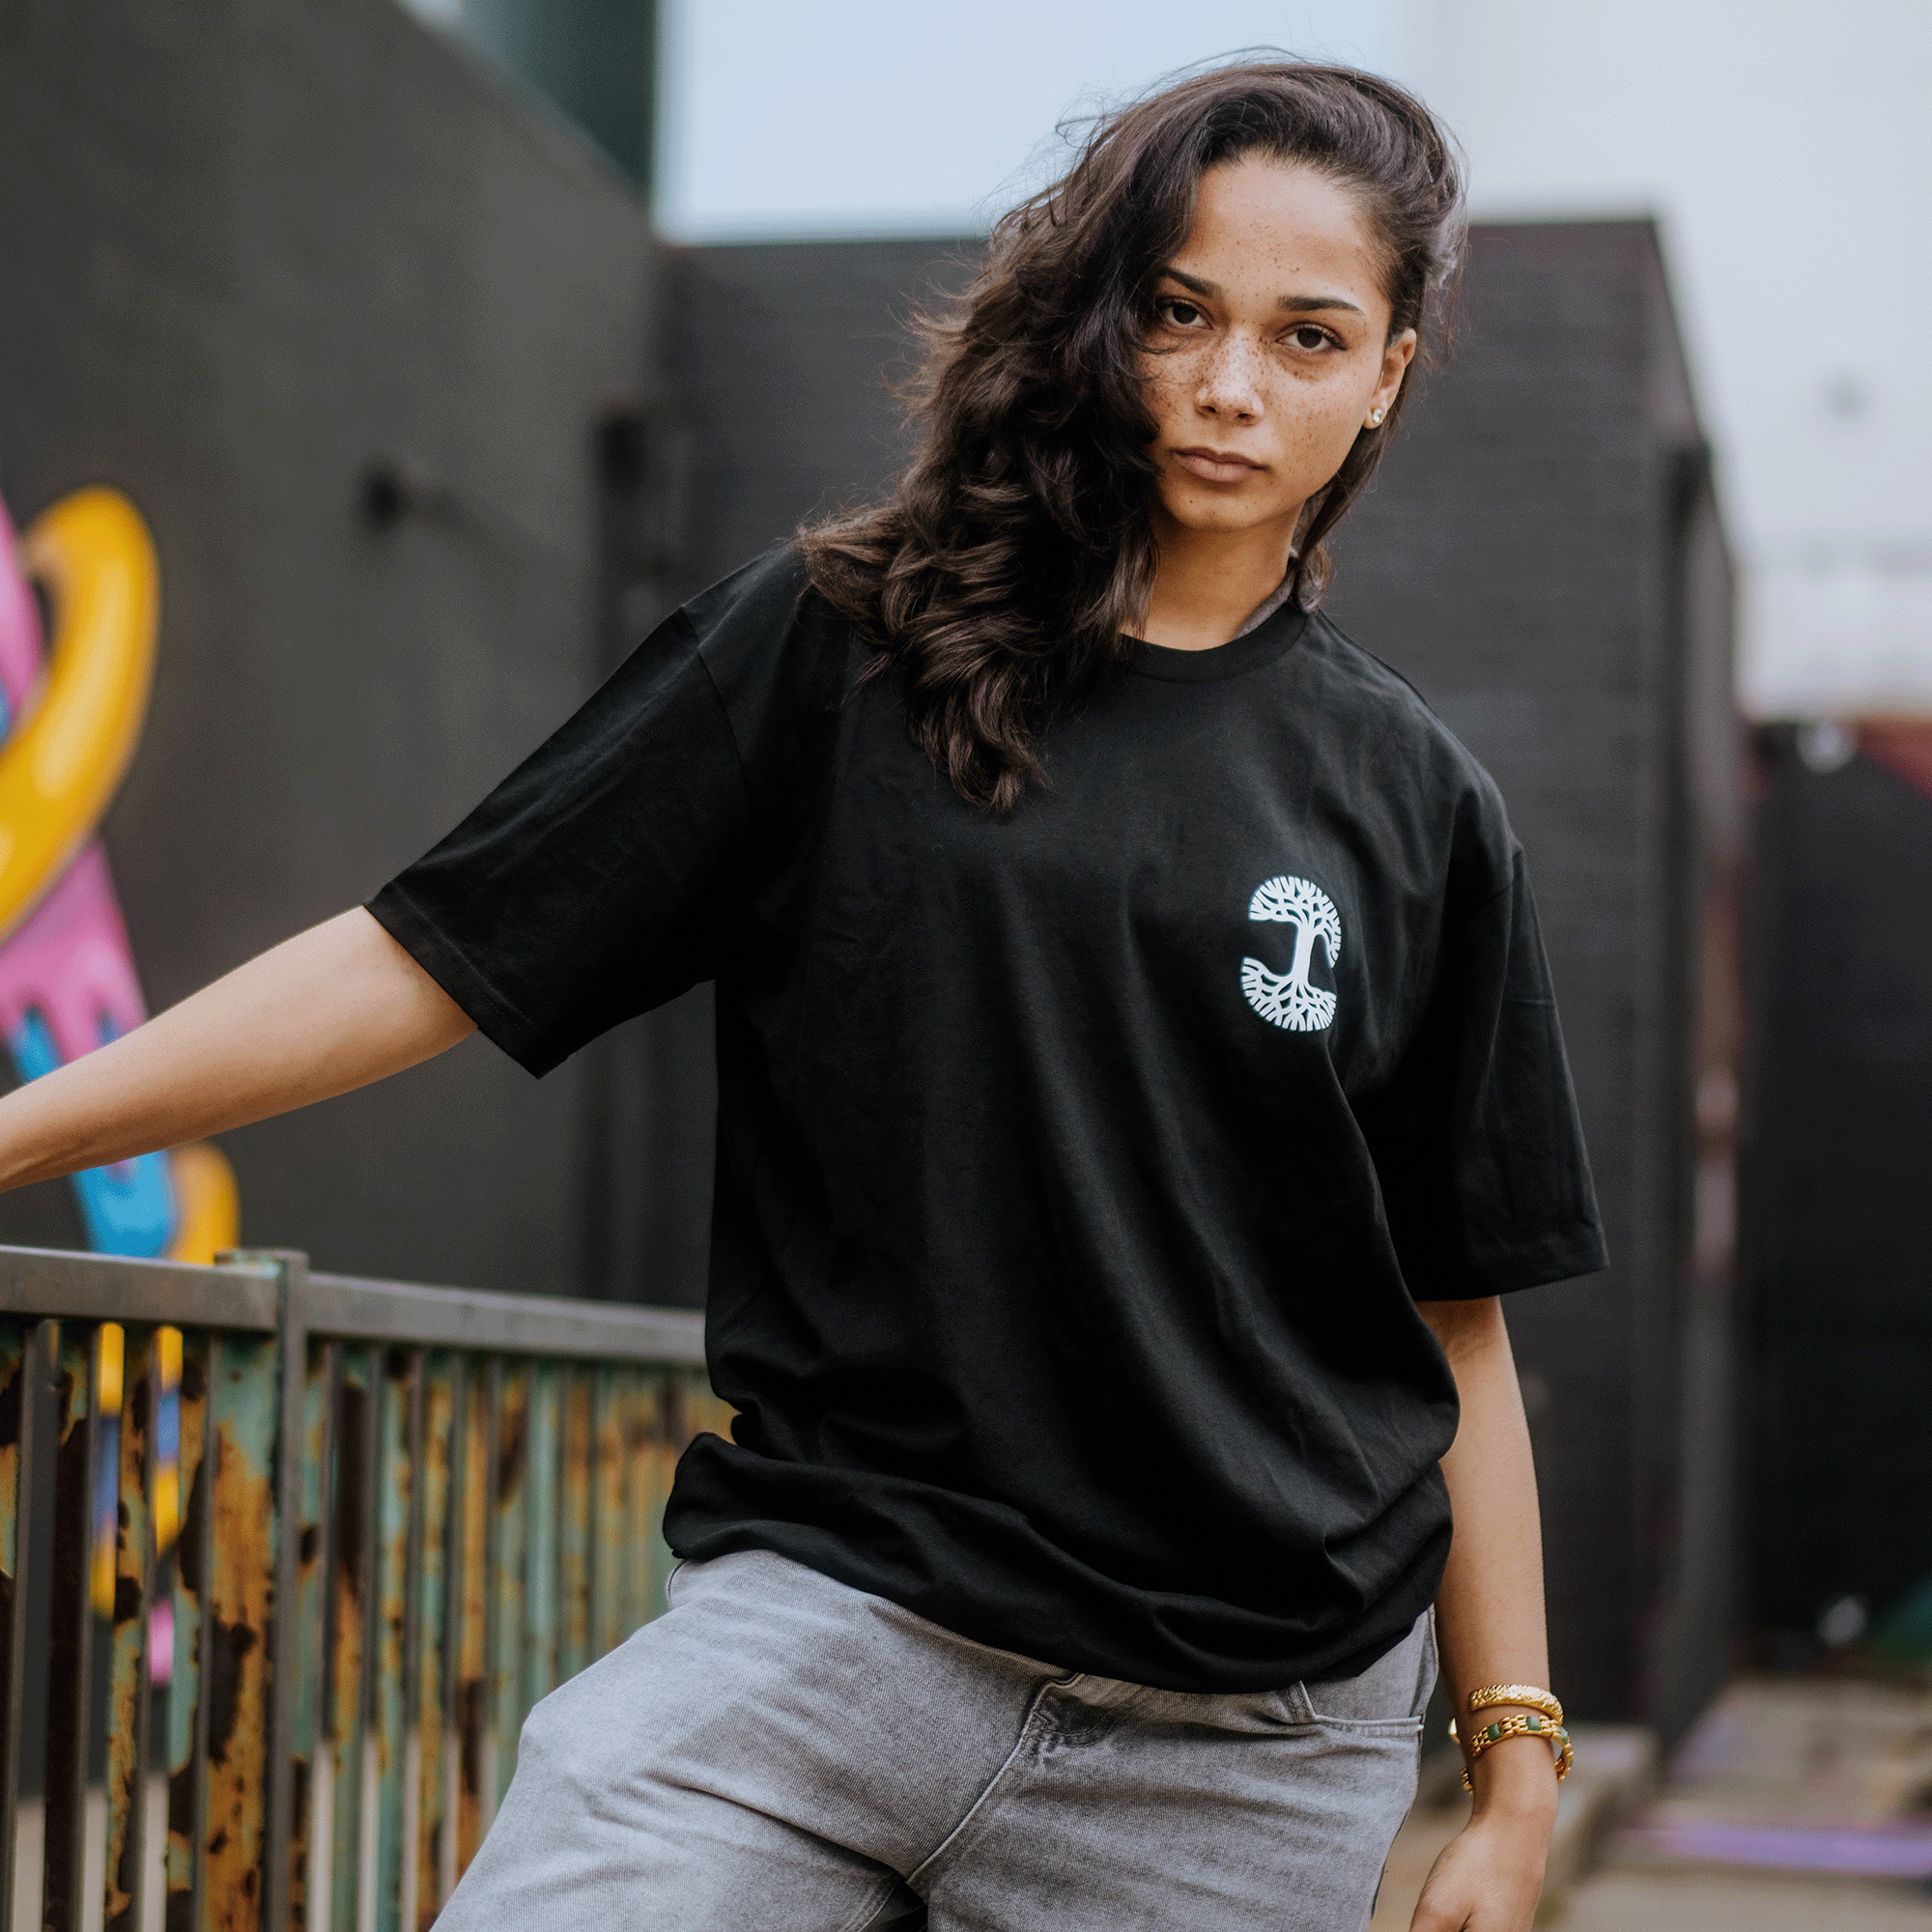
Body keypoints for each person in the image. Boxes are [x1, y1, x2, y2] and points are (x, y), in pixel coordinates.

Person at [0, 60, 1605, 1932]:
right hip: (835, 1629)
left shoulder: (1414, 806)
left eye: (1306, 336)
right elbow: (431, 951)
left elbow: (1450, 1328)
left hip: (1242, 1747)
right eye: (1178, 312)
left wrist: (1509, 1776)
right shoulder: (843, 650)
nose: (1229, 385)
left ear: (1387, 372)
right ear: (1102, 314)